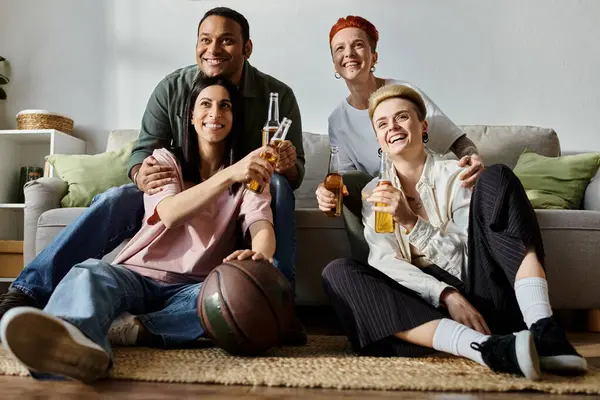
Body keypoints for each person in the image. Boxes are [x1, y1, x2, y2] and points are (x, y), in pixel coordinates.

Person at [0, 7, 305, 343]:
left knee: (235, 297)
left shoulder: (277, 97)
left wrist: (261, 256)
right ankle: (38, 301)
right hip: (172, 196)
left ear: (247, 48)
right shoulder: (173, 96)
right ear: (189, 115)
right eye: (205, 40)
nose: (214, 49)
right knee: (115, 205)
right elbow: (147, 158)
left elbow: (272, 203)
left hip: (238, 199)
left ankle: (277, 303)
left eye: (227, 41)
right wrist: (142, 174)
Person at [0, 76, 281, 383]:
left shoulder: (249, 175)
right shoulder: (165, 160)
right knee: (90, 272)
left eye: (225, 106)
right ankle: (72, 343)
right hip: (137, 275)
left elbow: (261, 225)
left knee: (231, 306)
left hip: (196, 287)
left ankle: (127, 327)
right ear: (191, 116)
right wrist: (229, 174)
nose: (215, 113)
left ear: (234, 117)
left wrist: (259, 256)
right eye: (206, 104)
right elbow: (170, 213)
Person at [321, 84, 587, 380]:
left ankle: (543, 330)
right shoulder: (374, 192)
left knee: (497, 175)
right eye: (382, 123)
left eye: (402, 117)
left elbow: (465, 260)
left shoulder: (457, 174)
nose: (392, 127)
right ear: (378, 140)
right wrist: (445, 294)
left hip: (482, 291)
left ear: (423, 127)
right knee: (338, 272)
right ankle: (488, 349)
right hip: (428, 312)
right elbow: (385, 262)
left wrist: (411, 222)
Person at [316, 16, 484, 264]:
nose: (349, 53)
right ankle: (374, 265)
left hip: (423, 189)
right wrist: (327, 193)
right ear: (334, 64)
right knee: (352, 184)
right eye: (340, 48)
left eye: (358, 45)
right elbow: (347, 182)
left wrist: (473, 159)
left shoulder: (403, 93)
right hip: (380, 200)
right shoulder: (337, 120)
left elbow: (458, 142)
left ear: (374, 57)